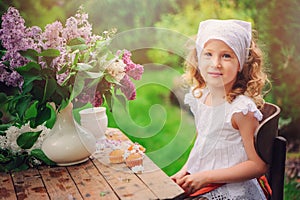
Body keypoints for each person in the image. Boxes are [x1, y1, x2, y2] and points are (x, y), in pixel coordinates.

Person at [171, 19, 270, 199]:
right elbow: (204, 141)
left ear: (240, 63)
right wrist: (185, 171)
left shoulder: (240, 109)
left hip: (233, 191)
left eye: (226, 56)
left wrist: (205, 176)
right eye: (208, 54)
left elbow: (258, 165)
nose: (215, 63)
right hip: (205, 184)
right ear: (199, 60)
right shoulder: (201, 97)